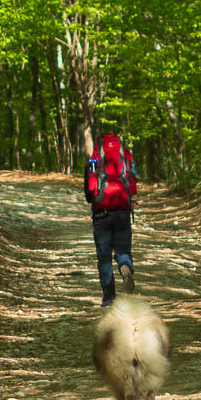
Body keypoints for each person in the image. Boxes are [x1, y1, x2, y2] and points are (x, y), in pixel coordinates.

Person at [84, 123, 138, 304]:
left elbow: (90, 189)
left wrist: (93, 199)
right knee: (123, 250)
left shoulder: (95, 158)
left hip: (102, 214)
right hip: (122, 211)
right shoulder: (127, 156)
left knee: (104, 257)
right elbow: (133, 187)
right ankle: (125, 267)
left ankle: (109, 297)